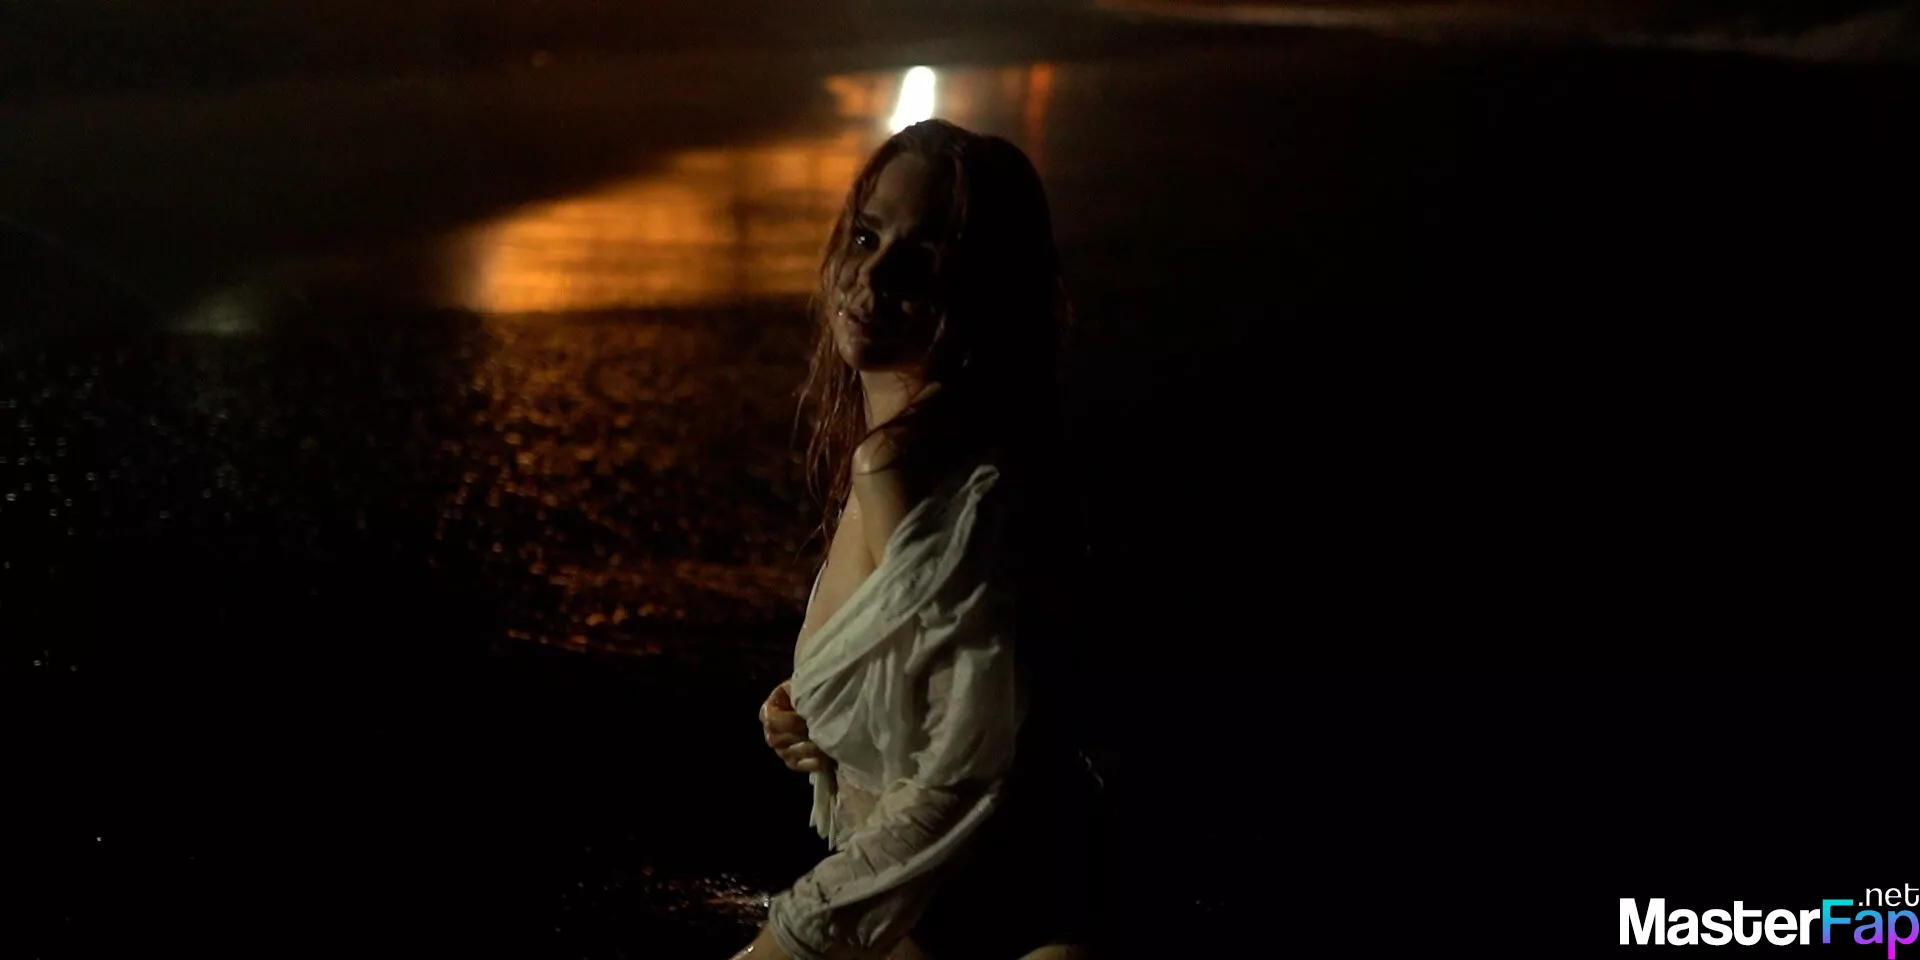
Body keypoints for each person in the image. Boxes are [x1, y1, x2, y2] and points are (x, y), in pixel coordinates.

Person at [730, 120, 1100, 960]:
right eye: (866, 236)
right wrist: (817, 710)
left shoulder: (904, 462)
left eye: (924, 256)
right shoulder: (947, 443)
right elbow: (959, 694)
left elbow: (967, 771)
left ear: (983, 289)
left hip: (997, 927)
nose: (874, 276)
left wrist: (795, 934)